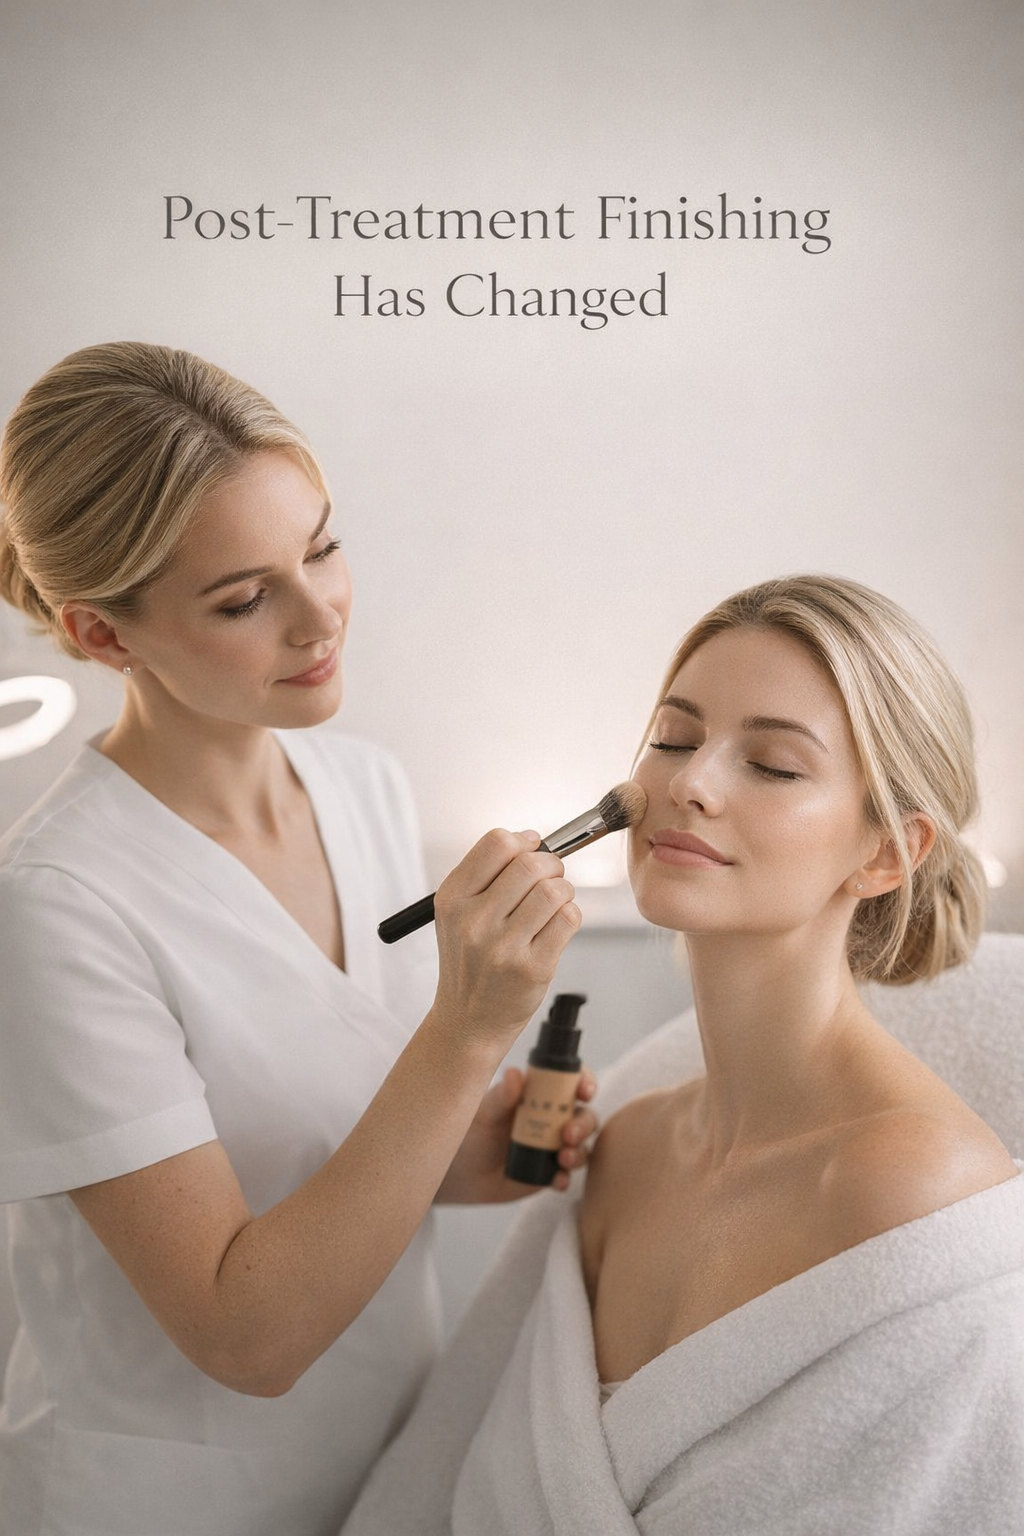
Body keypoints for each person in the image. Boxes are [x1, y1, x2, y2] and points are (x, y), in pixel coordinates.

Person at [0, 342, 596, 1536]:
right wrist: (467, 1028)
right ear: (103, 636)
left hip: (390, 1468)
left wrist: (508, 1142)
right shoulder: (54, 907)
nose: (321, 615)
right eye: (243, 598)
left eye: (320, 546)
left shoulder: (361, 786)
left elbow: (348, 1153)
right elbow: (249, 1332)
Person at [342, 574, 1024, 1536]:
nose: (689, 783)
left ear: (885, 853)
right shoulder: (622, 1148)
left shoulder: (909, 1191)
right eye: (673, 738)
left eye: (775, 766)